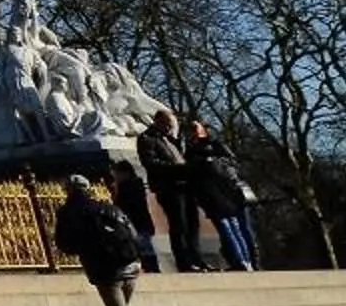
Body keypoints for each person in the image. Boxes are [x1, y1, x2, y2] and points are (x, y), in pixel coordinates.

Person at [51, 173, 166, 306]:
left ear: (68, 190)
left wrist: (86, 247)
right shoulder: (107, 206)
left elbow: (65, 245)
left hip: (105, 270)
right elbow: (132, 233)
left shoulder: (68, 212)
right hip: (131, 264)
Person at [186, 120, 259, 272]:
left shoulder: (214, 144)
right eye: (190, 130)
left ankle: (247, 261)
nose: (193, 132)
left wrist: (211, 162)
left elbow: (232, 162)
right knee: (228, 227)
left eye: (195, 128)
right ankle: (241, 261)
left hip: (227, 191)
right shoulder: (191, 149)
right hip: (210, 194)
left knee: (237, 227)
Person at [137, 109, 197, 269]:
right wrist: (177, 168)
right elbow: (150, 163)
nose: (171, 128)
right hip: (168, 186)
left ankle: (196, 258)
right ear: (158, 122)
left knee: (192, 223)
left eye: (172, 125)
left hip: (184, 185)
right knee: (179, 224)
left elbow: (181, 156)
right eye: (168, 124)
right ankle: (184, 261)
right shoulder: (147, 138)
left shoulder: (170, 139)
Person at [109, 158, 161, 274]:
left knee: (143, 246)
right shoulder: (134, 184)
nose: (115, 176)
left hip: (136, 222)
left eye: (117, 173)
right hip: (140, 222)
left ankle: (151, 268)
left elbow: (123, 205)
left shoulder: (128, 187)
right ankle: (151, 267)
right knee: (144, 246)